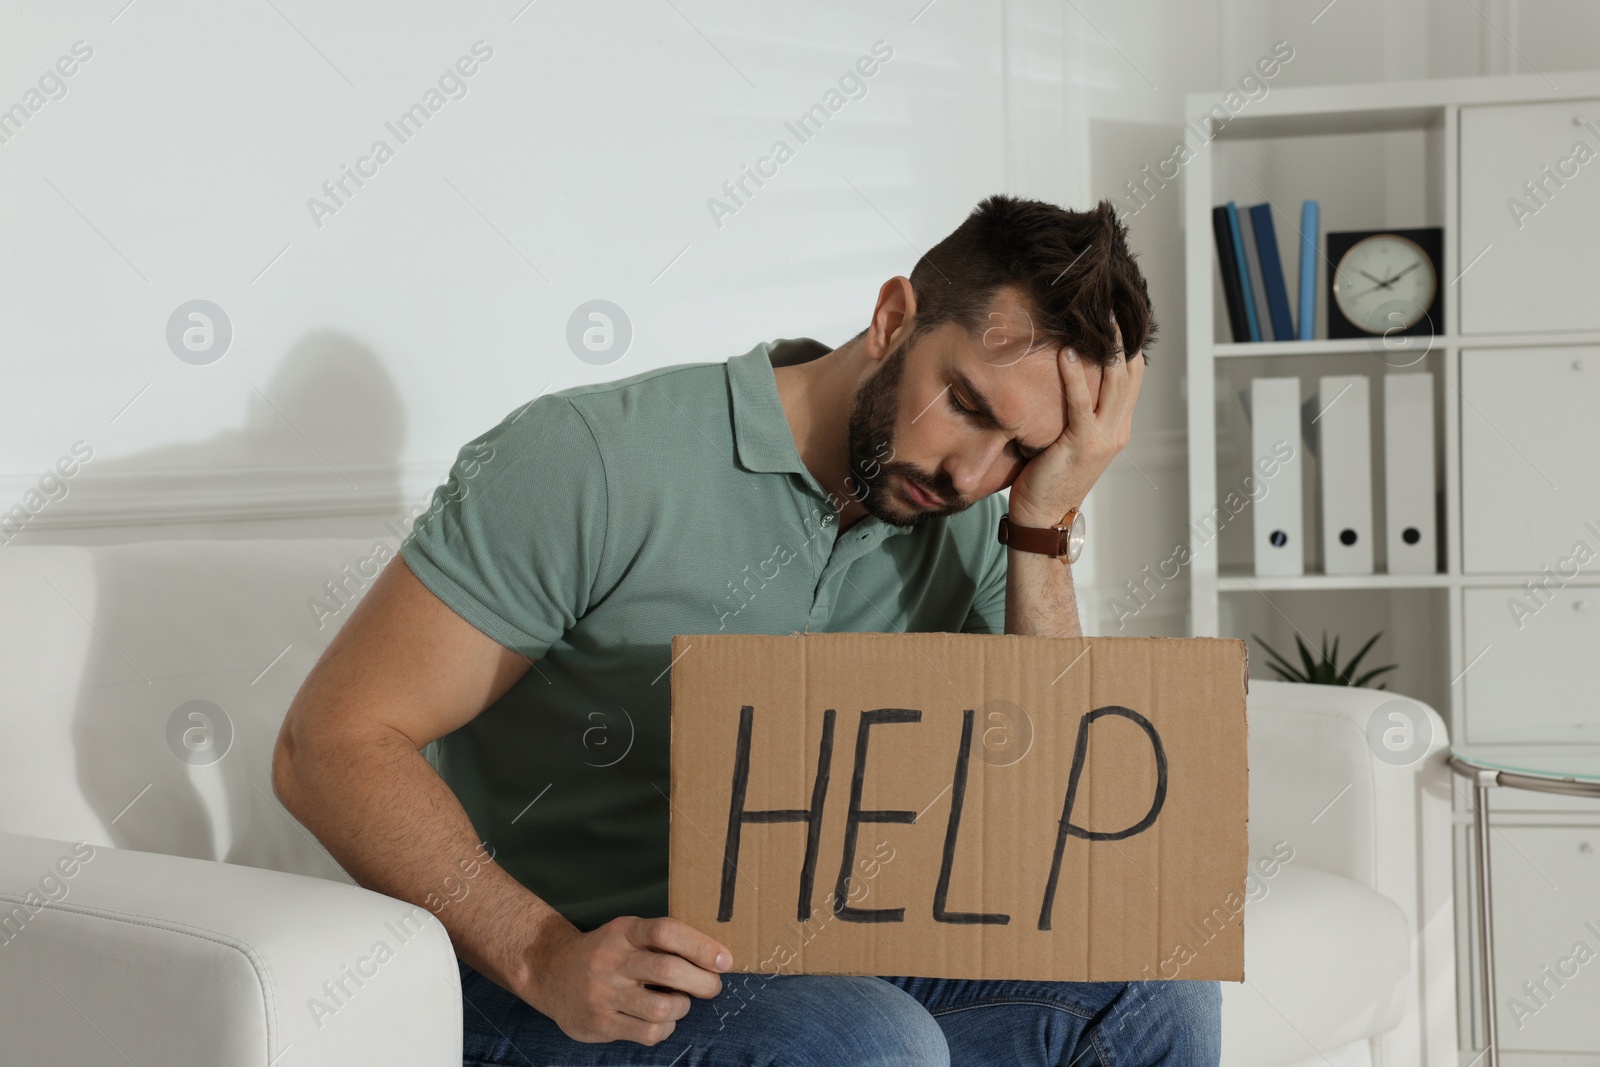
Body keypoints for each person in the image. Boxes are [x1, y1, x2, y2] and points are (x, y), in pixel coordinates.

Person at [272, 193, 1220, 1066]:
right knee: (871, 1040)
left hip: (794, 955)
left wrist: (1041, 525)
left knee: (1157, 985)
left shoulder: (969, 518)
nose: (973, 473)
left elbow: (1068, 832)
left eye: (1023, 450)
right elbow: (330, 745)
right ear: (893, 320)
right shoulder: (592, 461)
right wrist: (543, 953)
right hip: (541, 977)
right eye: (968, 406)